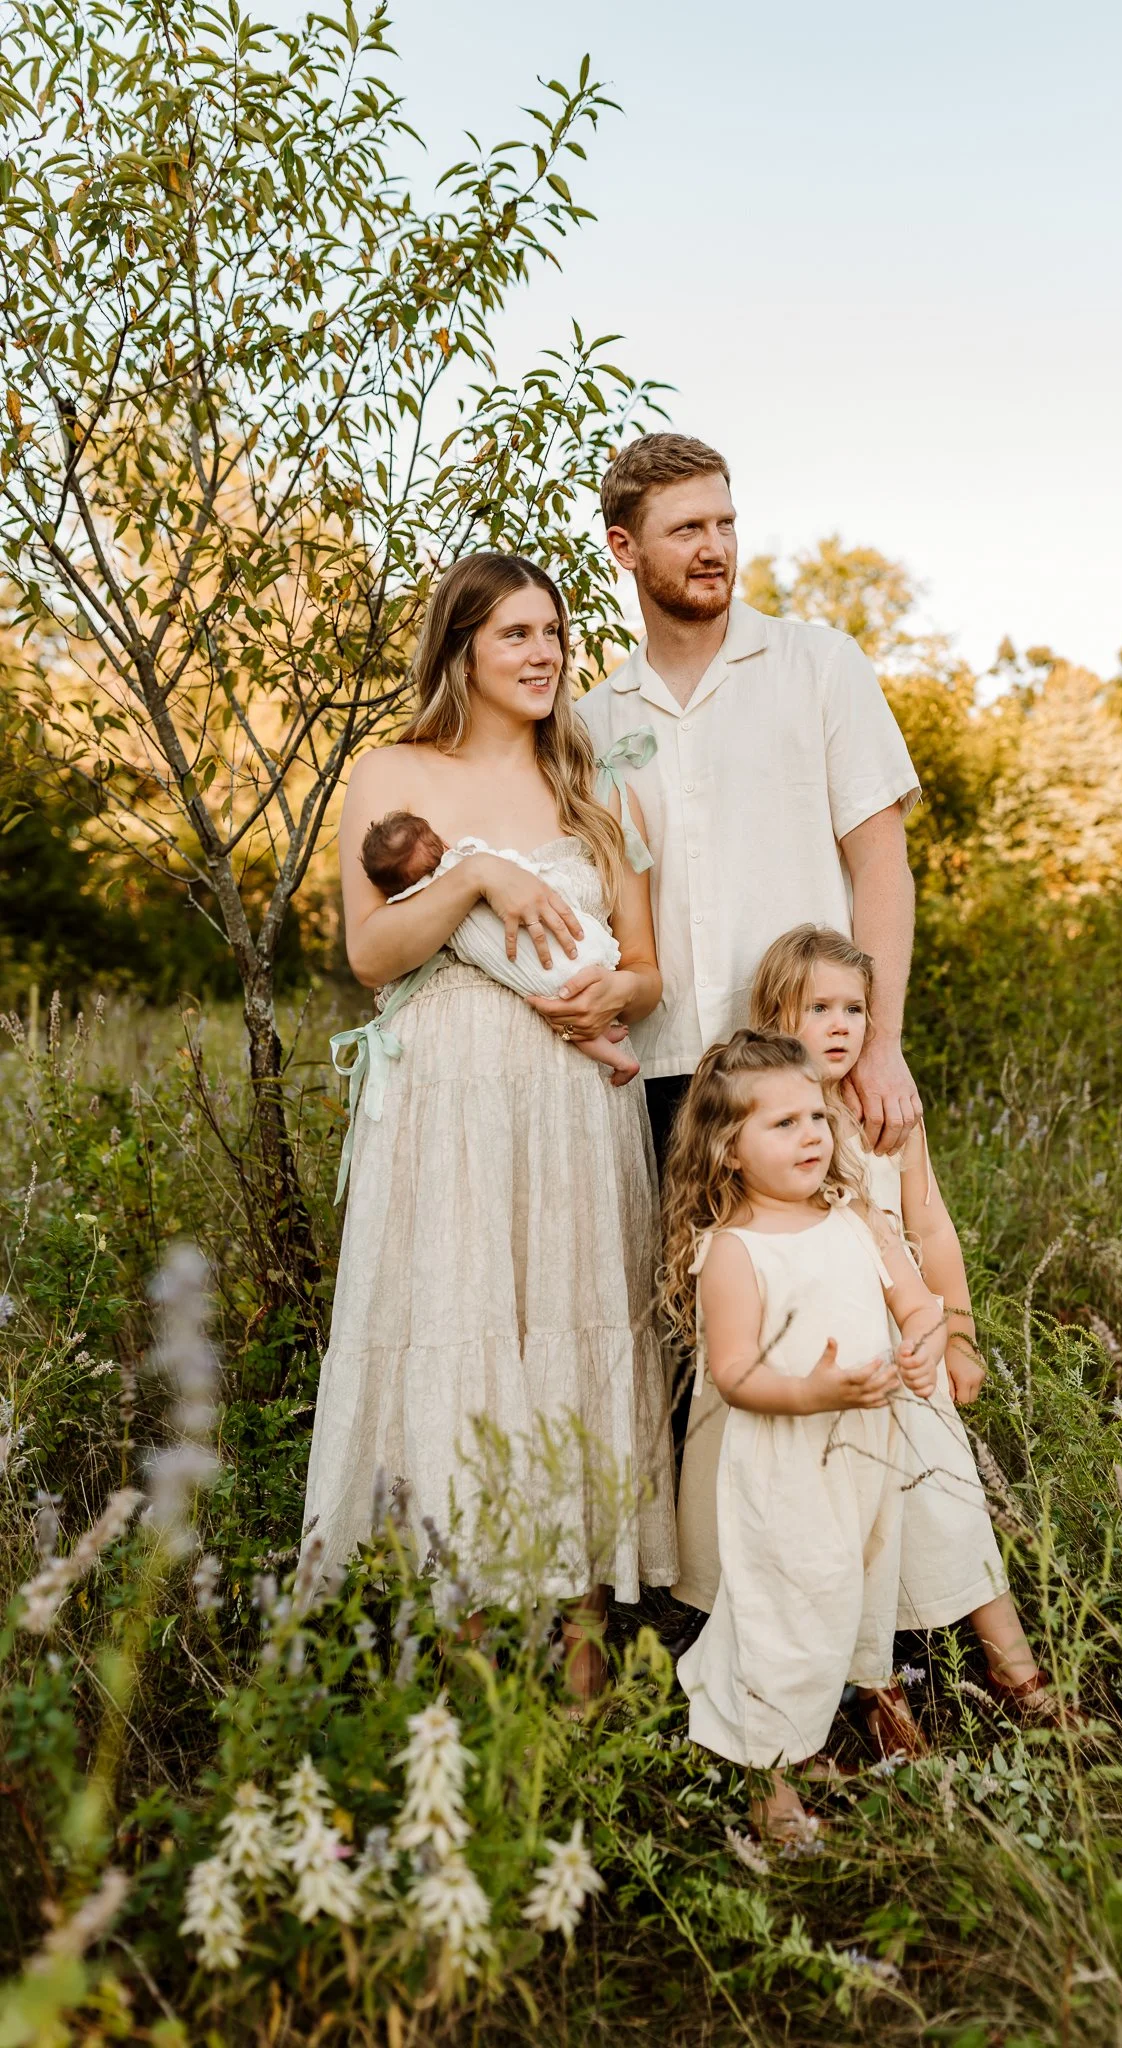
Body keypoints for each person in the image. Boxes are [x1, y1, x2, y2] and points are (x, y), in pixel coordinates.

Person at [305, 552, 677, 1704]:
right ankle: (467, 1651)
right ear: (462, 646)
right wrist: (473, 878)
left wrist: (616, 996)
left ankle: (578, 1653)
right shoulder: (389, 771)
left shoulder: (591, 788)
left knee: (568, 1331)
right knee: (462, 1321)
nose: (544, 651)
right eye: (516, 632)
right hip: (446, 1098)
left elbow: (649, 968)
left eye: (555, 631)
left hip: (570, 1099)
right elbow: (369, 955)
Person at [744, 924, 1074, 1725]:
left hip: (912, 1342)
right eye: (816, 1006)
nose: (837, 1025)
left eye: (853, 1008)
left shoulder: (888, 1106)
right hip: (828, 1355)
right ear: (773, 1015)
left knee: (949, 1502)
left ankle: (1016, 1671)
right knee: (852, 1525)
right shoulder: (772, 1114)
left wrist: (958, 1335)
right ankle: (876, 1691)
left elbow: (930, 1227)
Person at [575, 433, 923, 1188]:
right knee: (688, 1301)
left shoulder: (821, 666)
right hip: (661, 1078)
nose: (714, 548)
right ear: (623, 547)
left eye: (725, 524)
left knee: (848, 1292)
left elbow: (881, 868)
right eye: (686, 530)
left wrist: (880, 1045)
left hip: (809, 1073)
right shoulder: (589, 723)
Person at [659, 1031, 946, 1840]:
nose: (813, 1136)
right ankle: (768, 1781)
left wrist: (922, 1353)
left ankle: (801, 1731)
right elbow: (734, 1376)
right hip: (784, 1465)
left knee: (847, 1604)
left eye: (816, 1116)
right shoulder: (734, 1254)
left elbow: (919, 1308)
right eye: (782, 1125)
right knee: (789, 1615)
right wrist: (816, 1389)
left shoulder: (853, 1220)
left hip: (865, 1458)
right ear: (726, 1151)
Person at [358, 807, 641, 1084]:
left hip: (527, 978)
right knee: (567, 1004)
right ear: (442, 843)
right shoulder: (466, 858)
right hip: (564, 947)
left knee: (563, 1006)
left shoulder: (420, 900)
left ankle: (613, 1052)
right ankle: (611, 1046)